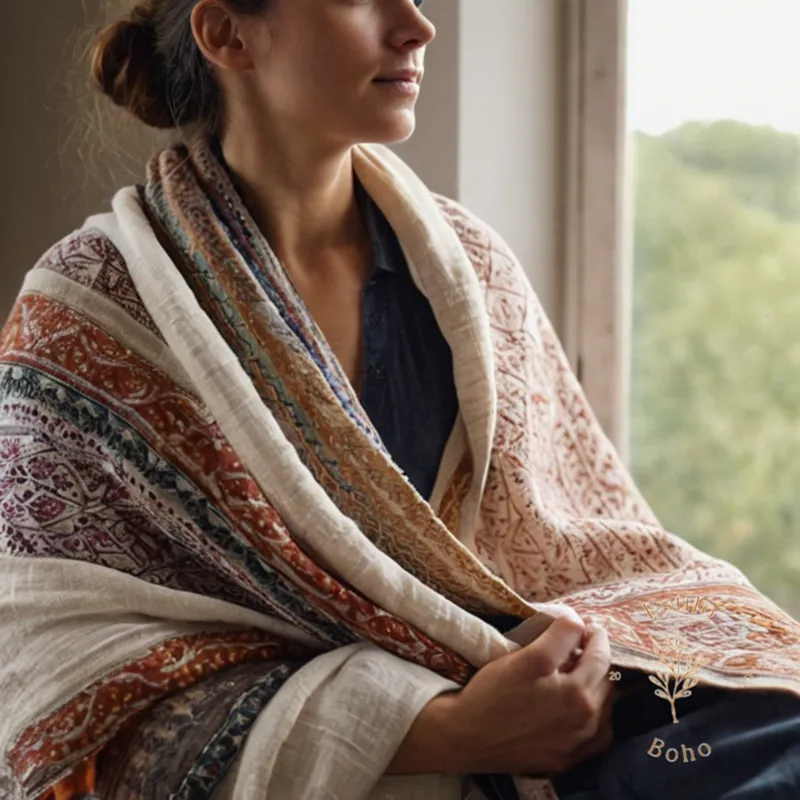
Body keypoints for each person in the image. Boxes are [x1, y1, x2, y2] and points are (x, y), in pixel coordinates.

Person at [0, 1, 798, 798]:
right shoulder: (95, 314)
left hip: (566, 720)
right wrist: (446, 729)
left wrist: (571, 683)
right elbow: (56, 691)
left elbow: (579, 549)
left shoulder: (468, 273)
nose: (418, 26)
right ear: (226, 34)